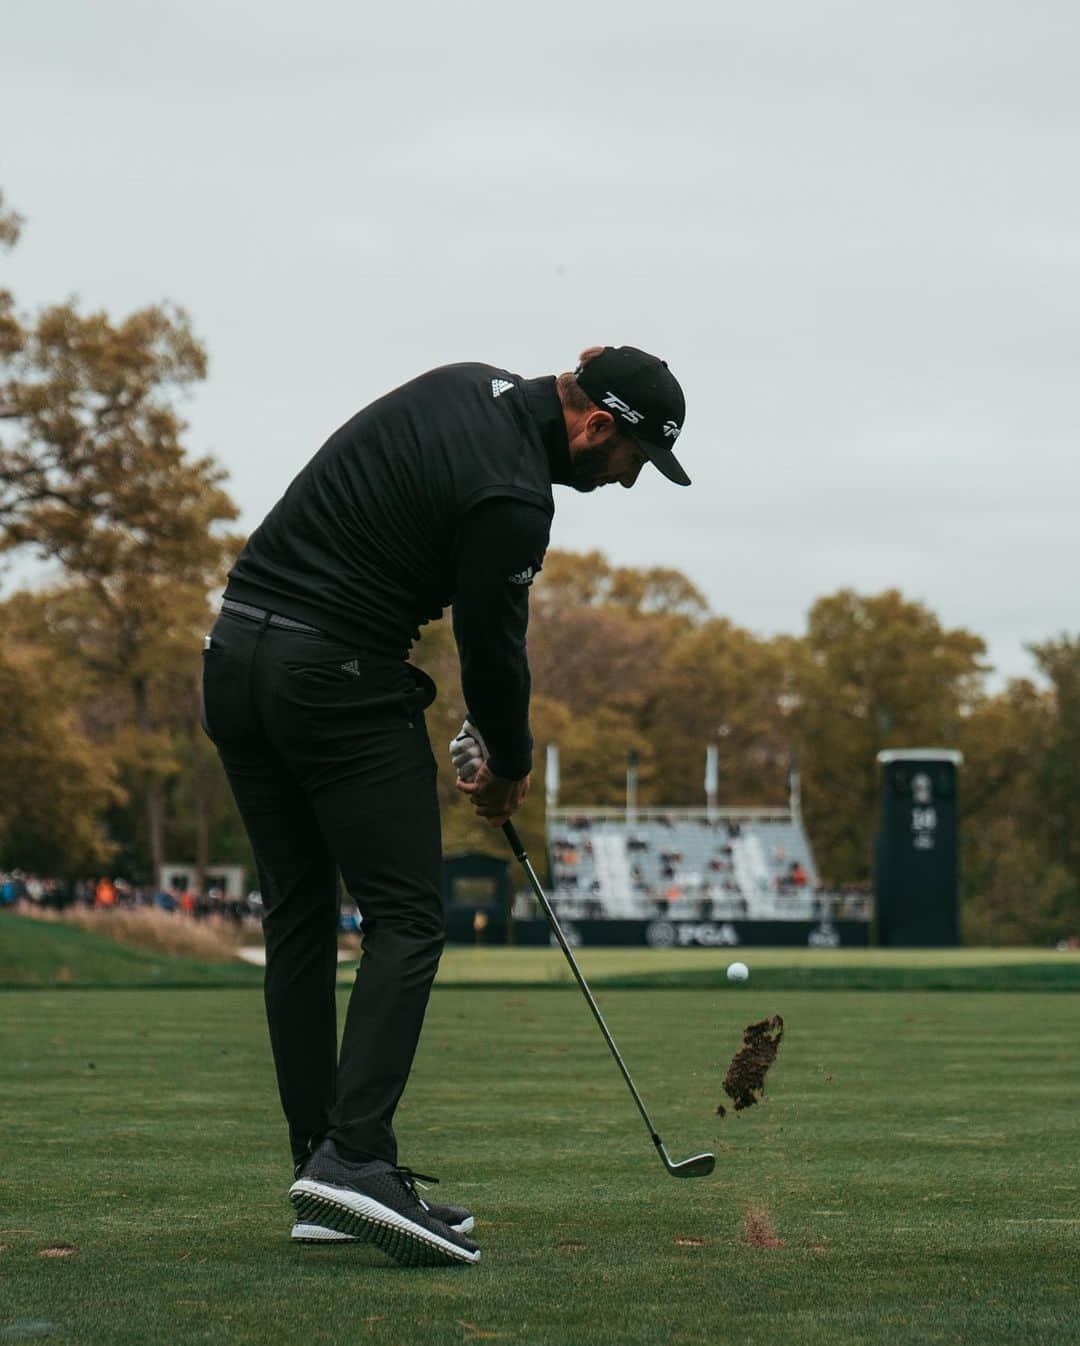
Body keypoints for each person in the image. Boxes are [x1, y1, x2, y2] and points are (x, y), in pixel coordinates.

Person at [200, 344, 690, 1268]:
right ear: (595, 426)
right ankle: (352, 1159)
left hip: (235, 657)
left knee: (300, 919)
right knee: (408, 919)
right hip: (329, 676)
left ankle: (324, 1169)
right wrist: (509, 760)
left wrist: (483, 729)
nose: (628, 482)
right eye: (634, 460)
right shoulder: (516, 496)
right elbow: (492, 649)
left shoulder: (467, 383)